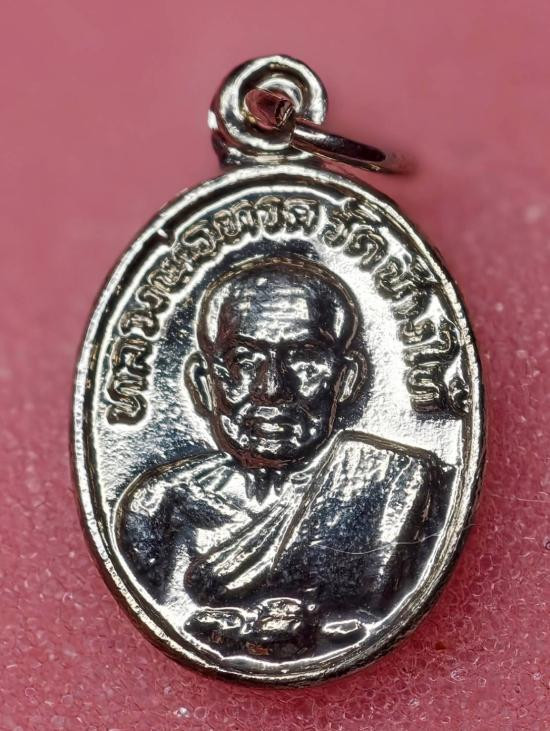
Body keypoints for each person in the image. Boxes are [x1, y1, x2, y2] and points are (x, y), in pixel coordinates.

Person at [116, 255, 451, 653]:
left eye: (305, 358)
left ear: (346, 379)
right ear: (204, 384)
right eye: (243, 360)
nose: (272, 388)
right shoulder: (158, 507)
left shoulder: (395, 482)